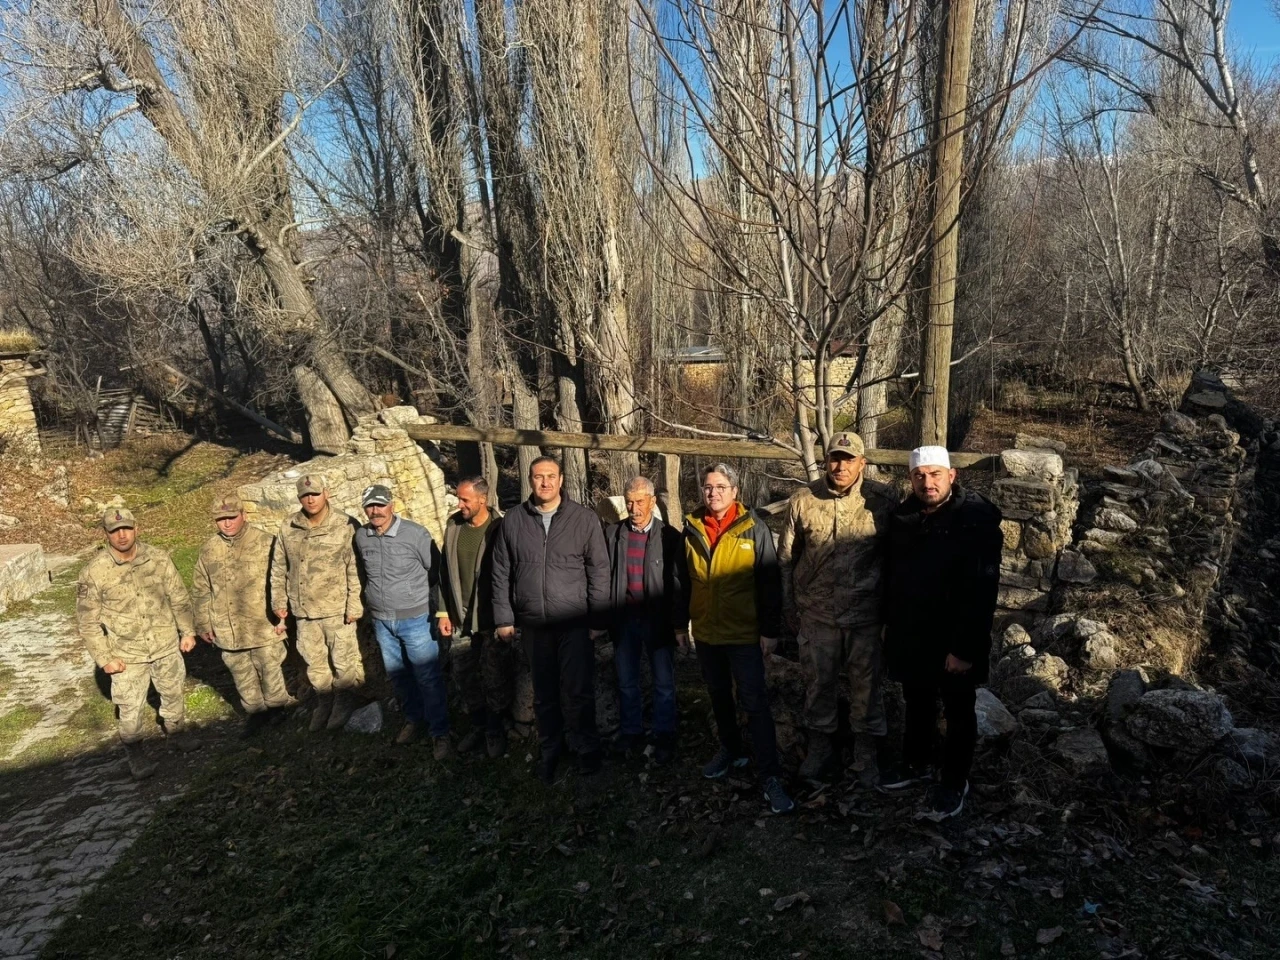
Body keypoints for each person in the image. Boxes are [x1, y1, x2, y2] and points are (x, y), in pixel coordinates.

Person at [880, 445, 1003, 821]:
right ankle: (916, 762)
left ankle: (954, 780)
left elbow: (982, 590)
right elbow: (893, 580)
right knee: (916, 700)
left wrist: (963, 648)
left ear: (952, 476)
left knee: (958, 709)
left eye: (935, 474)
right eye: (919, 476)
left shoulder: (974, 520)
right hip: (913, 633)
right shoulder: (904, 517)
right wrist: (890, 626)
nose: (927, 482)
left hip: (955, 636)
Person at [778, 431, 892, 784]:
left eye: (848, 458)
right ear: (826, 460)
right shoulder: (804, 499)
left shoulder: (883, 501)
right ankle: (820, 748)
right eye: (834, 457)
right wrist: (789, 609)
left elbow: (897, 558)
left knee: (867, 686)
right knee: (818, 684)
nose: (840, 465)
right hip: (817, 614)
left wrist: (891, 612)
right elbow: (786, 558)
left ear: (862, 463)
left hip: (865, 615)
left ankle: (865, 753)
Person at [491, 456, 610, 784]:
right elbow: (501, 572)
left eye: (551, 476)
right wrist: (503, 617)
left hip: (573, 622)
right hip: (534, 625)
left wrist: (598, 618)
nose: (545, 483)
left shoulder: (583, 519)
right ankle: (550, 751)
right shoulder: (513, 520)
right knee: (544, 694)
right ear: (530, 480)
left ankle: (587, 749)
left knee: (578, 691)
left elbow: (599, 570)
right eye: (538, 477)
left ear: (561, 480)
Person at [685, 463, 795, 815]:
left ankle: (770, 775)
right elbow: (679, 580)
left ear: (735, 492)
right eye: (707, 486)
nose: (712, 492)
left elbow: (768, 583)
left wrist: (769, 630)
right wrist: (679, 623)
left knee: (754, 702)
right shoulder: (692, 529)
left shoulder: (754, 529)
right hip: (706, 631)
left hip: (744, 633)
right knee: (718, 696)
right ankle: (730, 751)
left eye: (719, 486)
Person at [76, 507, 198, 779]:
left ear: (136, 528)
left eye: (127, 528)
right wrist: (104, 657)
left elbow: (178, 597)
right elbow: (87, 622)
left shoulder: (158, 559)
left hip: (165, 643)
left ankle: (176, 733)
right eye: (114, 530)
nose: (122, 535)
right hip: (127, 654)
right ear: (105, 534)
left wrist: (187, 631)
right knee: (130, 707)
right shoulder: (95, 571)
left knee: (173, 691)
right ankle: (135, 753)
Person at [191, 496, 293, 739]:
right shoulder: (209, 549)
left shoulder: (266, 542)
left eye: (231, 517)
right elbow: (200, 588)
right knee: (240, 671)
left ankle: (279, 709)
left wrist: (282, 617)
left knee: (270, 667)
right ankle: (255, 713)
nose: (226, 524)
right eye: (221, 519)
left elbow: (281, 581)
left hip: (262, 623)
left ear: (243, 515)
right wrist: (204, 623)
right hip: (229, 628)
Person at [603, 476, 689, 764]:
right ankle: (632, 731)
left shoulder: (670, 537)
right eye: (629, 501)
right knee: (627, 681)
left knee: (663, 682)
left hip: (658, 620)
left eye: (640, 501)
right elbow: (604, 578)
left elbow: (678, 585)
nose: (634, 507)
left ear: (653, 502)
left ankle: (664, 733)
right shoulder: (614, 535)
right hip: (624, 619)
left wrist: (679, 624)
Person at [270, 475, 365, 733]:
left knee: (343, 659)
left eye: (314, 493)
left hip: (336, 609)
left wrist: (354, 604)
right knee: (314, 661)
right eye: (304, 495)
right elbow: (279, 566)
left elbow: (355, 568)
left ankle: (345, 699)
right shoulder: (289, 526)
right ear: (299, 497)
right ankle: (325, 700)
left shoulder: (345, 525)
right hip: (304, 611)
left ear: (326, 493)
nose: (310, 499)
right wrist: (278, 602)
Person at [438, 476, 511, 759]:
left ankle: (495, 728)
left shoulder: (500, 528)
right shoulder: (453, 527)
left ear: (483, 499)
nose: (460, 504)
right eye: (458, 498)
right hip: (461, 615)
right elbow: (445, 572)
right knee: (463, 672)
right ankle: (478, 724)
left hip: (491, 615)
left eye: (465, 499)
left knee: (495, 674)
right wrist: (444, 611)